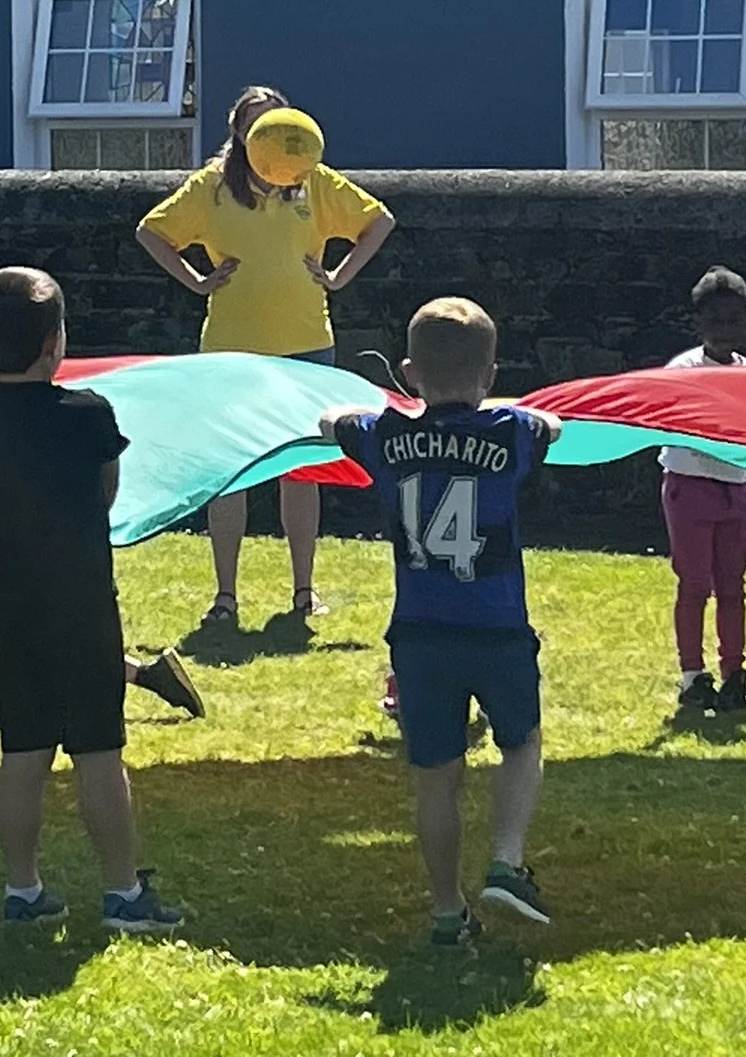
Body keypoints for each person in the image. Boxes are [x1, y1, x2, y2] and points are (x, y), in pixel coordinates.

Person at [0, 267, 184, 932]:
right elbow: (106, 489)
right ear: (55, 341)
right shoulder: (88, 413)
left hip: (11, 610)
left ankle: (22, 889)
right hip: (81, 605)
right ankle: (122, 891)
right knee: (99, 751)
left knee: (22, 753)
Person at [321, 297, 557, 945]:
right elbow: (551, 426)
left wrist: (376, 409)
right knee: (521, 742)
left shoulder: (385, 437)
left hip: (420, 634)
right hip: (498, 626)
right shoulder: (509, 431)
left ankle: (447, 911)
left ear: (408, 373)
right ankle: (506, 861)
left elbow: (331, 421)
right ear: (490, 375)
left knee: (435, 777)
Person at [138, 85, 396, 627]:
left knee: (302, 470)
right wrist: (197, 281)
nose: (271, 136)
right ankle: (225, 596)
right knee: (228, 472)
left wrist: (337, 276)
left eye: (279, 124)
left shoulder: (314, 181)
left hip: (307, 345)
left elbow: (379, 222)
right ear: (239, 134)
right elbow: (152, 232)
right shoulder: (211, 186)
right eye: (258, 126)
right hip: (230, 350)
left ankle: (304, 591)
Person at [657, 266, 746, 714]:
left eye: (734, 321)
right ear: (698, 323)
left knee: (733, 586)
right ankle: (692, 675)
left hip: (736, 488)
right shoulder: (683, 370)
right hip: (690, 486)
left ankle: (734, 673)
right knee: (695, 583)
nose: (724, 330)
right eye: (715, 320)